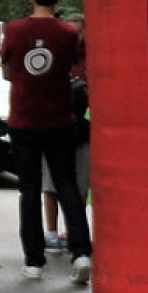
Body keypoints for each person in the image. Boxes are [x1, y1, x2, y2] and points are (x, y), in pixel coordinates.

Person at [2, 0, 92, 285]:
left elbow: (7, 72)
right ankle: (81, 253)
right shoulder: (69, 33)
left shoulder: (15, 30)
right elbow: (68, 66)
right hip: (60, 120)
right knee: (67, 185)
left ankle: (34, 261)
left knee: (29, 190)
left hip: (24, 119)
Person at [42, 13, 89, 251]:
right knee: (50, 183)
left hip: (82, 132)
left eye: (78, 32)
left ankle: (74, 230)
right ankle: (51, 232)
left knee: (80, 183)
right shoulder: (55, 56)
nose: (73, 36)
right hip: (54, 128)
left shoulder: (93, 59)